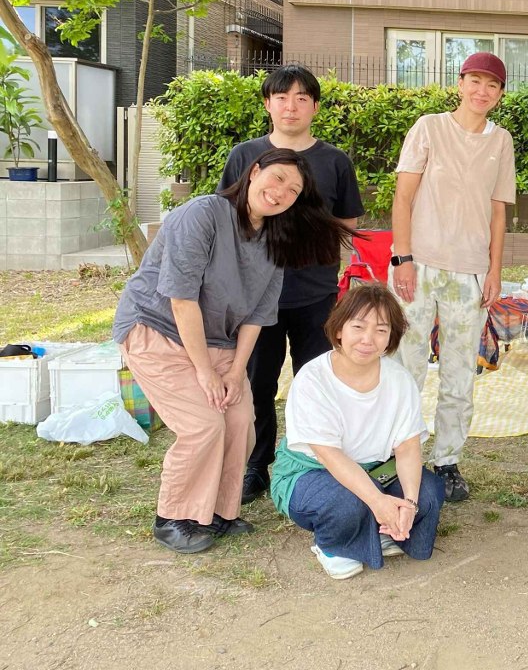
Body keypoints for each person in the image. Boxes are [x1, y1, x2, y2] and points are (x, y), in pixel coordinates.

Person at [113, 148, 354, 554]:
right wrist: (205, 372)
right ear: (254, 172)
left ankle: (217, 512)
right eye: (277, 178)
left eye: (293, 190)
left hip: (220, 342)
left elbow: (258, 314)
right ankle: (173, 517)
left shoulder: (275, 240)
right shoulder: (203, 214)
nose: (281, 192)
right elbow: (181, 299)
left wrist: (235, 371)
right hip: (158, 331)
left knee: (241, 420)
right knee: (204, 424)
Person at [222, 65, 365, 505]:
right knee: (256, 383)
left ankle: (315, 461)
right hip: (253, 297)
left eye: (302, 98)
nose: (291, 106)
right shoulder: (245, 156)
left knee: (317, 382)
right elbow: (227, 217)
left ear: (315, 107)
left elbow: (347, 224)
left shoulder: (335, 161)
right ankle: (256, 465)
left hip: (315, 294)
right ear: (268, 103)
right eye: (282, 97)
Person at [390, 51, 517, 502]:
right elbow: (403, 197)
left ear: (500, 94)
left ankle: (446, 461)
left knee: (461, 368)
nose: (482, 91)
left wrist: (494, 270)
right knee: (405, 362)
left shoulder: (501, 141)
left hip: (470, 271)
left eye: (492, 85)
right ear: (460, 84)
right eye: (475, 81)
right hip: (419, 264)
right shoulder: (429, 127)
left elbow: (498, 212)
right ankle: (396, 452)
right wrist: (402, 258)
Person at [270, 284, 445, 580]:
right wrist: (378, 502)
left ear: (391, 337)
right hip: (313, 471)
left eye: (381, 330)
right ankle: (332, 546)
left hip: (378, 469)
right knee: (347, 502)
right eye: (358, 327)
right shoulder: (312, 379)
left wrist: (410, 504)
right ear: (339, 329)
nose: (368, 339)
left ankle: (383, 528)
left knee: (428, 493)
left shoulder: (399, 380)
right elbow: (329, 455)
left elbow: (407, 447)